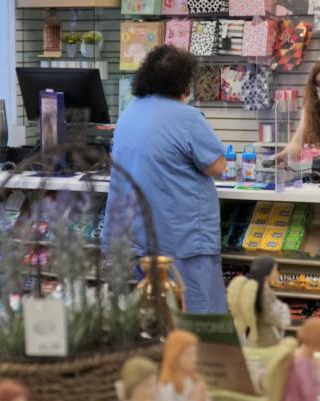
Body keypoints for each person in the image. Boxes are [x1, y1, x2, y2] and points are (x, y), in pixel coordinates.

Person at [103, 45, 227, 314]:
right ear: (182, 82)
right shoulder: (187, 117)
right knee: (197, 319)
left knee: (154, 315)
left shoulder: (129, 114)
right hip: (180, 239)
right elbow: (217, 166)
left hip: (138, 236)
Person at [226, 255, 291, 347]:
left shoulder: (255, 289)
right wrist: (281, 322)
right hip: (265, 335)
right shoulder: (264, 292)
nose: (277, 273)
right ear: (266, 272)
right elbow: (267, 315)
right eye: (275, 270)